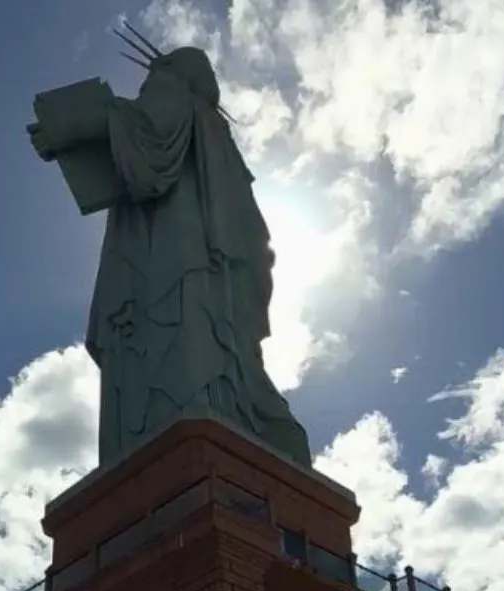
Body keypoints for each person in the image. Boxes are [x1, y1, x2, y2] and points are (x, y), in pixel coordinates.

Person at [30, 45, 314, 470]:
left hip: (174, 258)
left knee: (178, 345)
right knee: (209, 351)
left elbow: (148, 144)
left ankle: (185, 439)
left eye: (155, 75)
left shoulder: (174, 92)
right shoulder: (216, 132)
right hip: (204, 265)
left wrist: (68, 128)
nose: (149, 84)